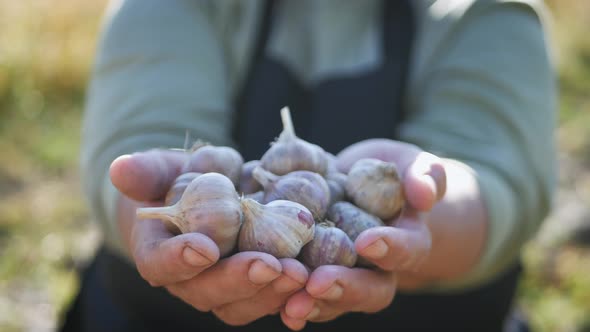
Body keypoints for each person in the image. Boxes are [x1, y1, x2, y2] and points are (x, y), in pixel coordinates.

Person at [60, 0, 557, 331]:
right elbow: (134, 146)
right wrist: (148, 213)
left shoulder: (487, 13)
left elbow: (503, 183)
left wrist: (425, 215)